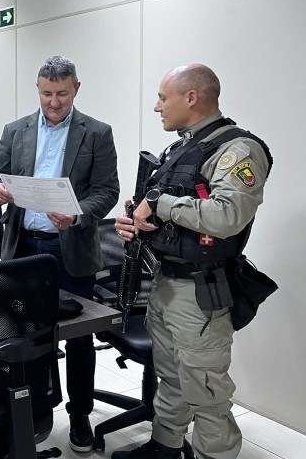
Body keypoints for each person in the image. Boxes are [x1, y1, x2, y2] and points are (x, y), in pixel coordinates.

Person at [113, 64, 272, 459]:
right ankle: (164, 448)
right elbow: (165, 209)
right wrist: (134, 219)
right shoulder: (182, 148)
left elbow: (225, 216)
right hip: (166, 283)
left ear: (191, 98)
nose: (156, 107)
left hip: (200, 293)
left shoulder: (238, 150)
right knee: (170, 379)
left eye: (163, 98)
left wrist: (161, 204)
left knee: (206, 392)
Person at [0, 55, 119, 453]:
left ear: (76, 88)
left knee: (79, 338)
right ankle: (27, 410)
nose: (54, 102)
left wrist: (78, 215)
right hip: (24, 246)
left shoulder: (96, 132)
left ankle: (80, 414)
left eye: (62, 93)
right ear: (38, 89)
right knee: (20, 332)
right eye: (47, 93)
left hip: (70, 249)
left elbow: (107, 190)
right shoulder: (16, 130)